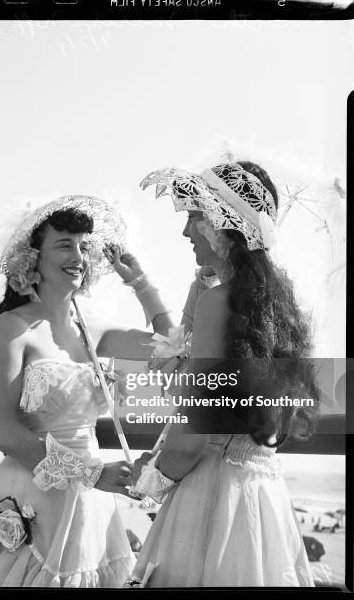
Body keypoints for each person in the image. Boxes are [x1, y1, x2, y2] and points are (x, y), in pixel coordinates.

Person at [0, 195, 173, 587]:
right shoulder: (13, 327)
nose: (79, 255)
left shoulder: (96, 331)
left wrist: (141, 283)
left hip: (91, 506)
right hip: (31, 493)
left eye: (85, 246)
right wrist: (92, 473)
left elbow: (172, 347)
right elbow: (0, 430)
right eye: (65, 244)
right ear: (33, 259)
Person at [126, 161, 320, 587]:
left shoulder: (220, 304)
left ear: (224, 224)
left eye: (194, 216)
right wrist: (194, 298)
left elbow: (193, 436)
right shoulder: (276, 309)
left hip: (212, 496)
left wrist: (151, 479)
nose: (186, 231)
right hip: (261, 495)